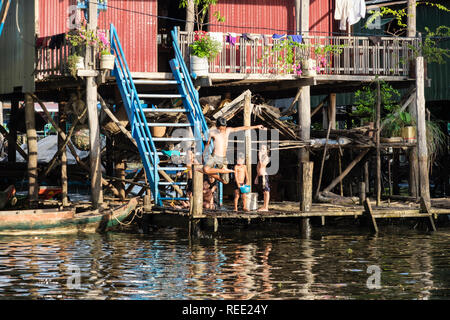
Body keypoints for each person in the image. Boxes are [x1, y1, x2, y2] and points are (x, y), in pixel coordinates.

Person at [202, 117, 264, 184]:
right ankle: (221, 171)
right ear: (217, 127)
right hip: (214, 156)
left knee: (225, 182)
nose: (223, 130)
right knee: (205, 169)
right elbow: (207, 145)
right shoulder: (212, 133)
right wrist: (203, 155)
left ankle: (221, 170)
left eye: (224, 127)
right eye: (221, 128)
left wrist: (256, 126)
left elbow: (242, 128)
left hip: (223, 158)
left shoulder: (228, 130)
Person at [255, 144, 270, 212]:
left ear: (267, 151)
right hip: (260, 176)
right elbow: (258, 169)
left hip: (264, 176)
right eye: (261, 149)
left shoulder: (266, 158)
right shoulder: (261, 158)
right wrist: (257, 177)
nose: (261, 150)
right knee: (264, 192)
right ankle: (264, 206)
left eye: (263, 149)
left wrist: (259, 156)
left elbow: (262, 165)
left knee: (266, 191)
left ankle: (266, 207)